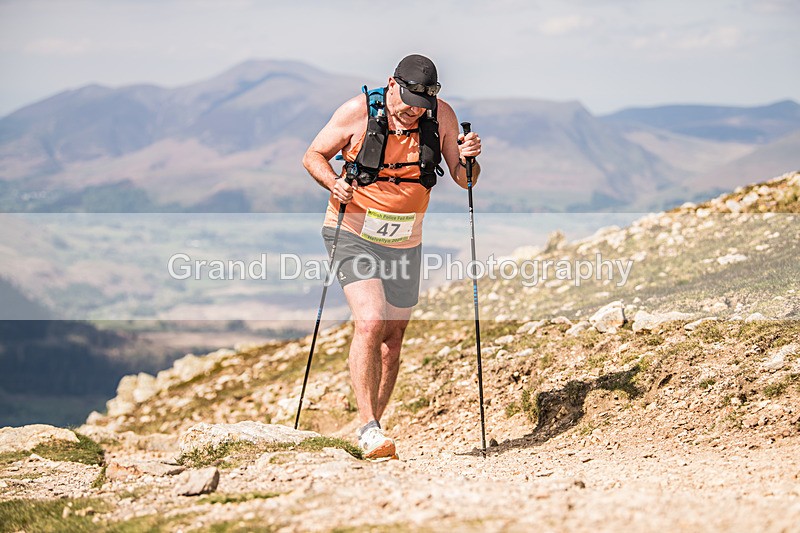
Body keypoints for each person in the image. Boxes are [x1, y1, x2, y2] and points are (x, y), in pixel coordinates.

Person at [302, 54, 482, 460]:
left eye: (422, 104)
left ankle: (373, 428)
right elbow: (312, 155)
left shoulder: (442, 117)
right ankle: (368, 427)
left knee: (393, 340)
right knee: (370, 321)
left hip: (405, 240)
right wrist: (334, 183)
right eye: (406, 101)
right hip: (351, 231)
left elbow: (463, 178)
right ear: (391, 85)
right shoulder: (357, 112)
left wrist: (470, 159)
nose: (413, 111)